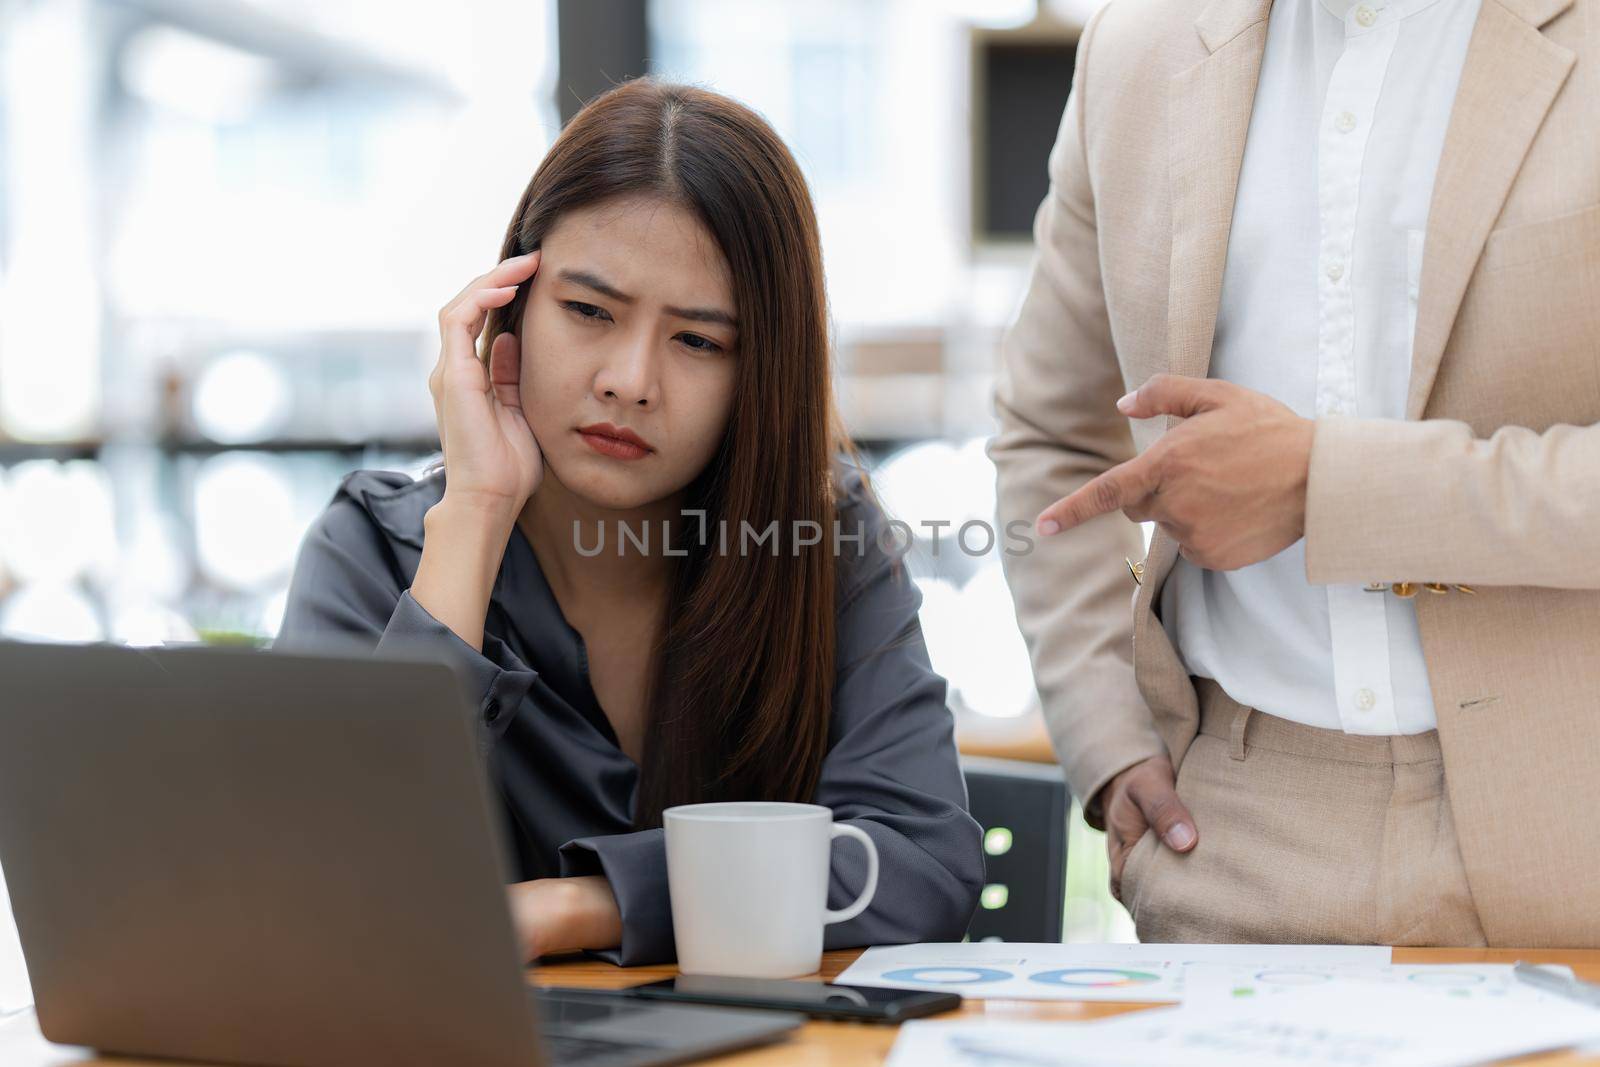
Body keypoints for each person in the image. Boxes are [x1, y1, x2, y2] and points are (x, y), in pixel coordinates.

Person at [276, 78, 983, 966]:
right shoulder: (375, 548)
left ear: (761, 372)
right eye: (587, 311)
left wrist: (587, 903)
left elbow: (920, 864)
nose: (630, 379)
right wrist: (477, 513)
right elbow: (325, 885)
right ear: (510, 308)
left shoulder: (820, 536)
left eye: (699, 341)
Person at [992, 0, 1600, 947]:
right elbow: (1051, 431)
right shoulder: (1137, 46)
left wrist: (1329, 485)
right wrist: (1105, 734)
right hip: (1227, 844)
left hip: (1572, 835)